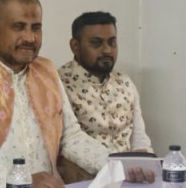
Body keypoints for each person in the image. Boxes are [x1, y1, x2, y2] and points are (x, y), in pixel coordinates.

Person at [0, 0, 150, 188]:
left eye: (36, 28)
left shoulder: (46, 71)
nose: (30, 37)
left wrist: (118, 165)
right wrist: (18, 179)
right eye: (18, 27)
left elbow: (70, 138)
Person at [58, 11, 153, 153]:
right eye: (96, 43)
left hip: (129, 166)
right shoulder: (59, 84)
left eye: (112, 42)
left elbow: (139, 138)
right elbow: (63, 145)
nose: (107, 50)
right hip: (85, 166)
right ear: (75, 46)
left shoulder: (125, 84)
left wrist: (145, 159)